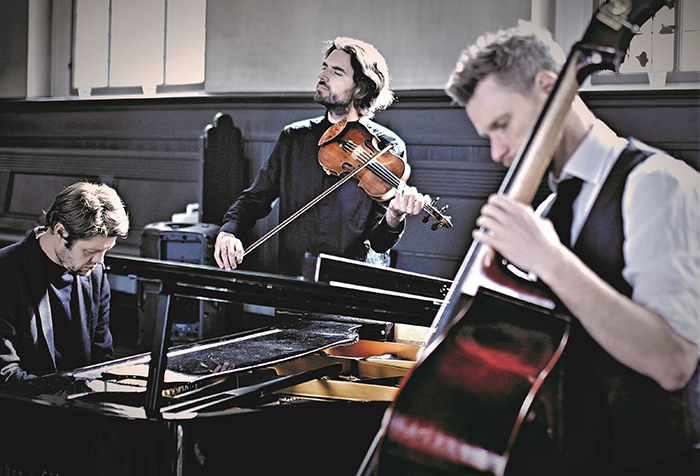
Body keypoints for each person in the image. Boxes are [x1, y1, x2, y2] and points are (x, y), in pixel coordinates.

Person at [444, 23, 700, 475]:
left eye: (502, 126)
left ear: (549, 87)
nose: (496, 152)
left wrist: (549, 258)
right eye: (488, 135)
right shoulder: (546, 209)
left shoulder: (657, 183)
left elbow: (673, 362)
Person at [215, 36, 427, 277]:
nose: (322, 76)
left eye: (336, 72)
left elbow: (378, 243)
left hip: (354, 284)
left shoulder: (387, 148)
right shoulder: (294, 137)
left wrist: (395, 215)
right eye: (324, 67)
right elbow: (256, 198)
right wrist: (228, 231)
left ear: (361, 88)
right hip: (296, 275)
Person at [0, 182, 129, 381]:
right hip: (26, 406)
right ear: (60, 232)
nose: (99, 261)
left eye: (105, 251)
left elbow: (102, 359)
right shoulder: (5, 271)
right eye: (90, 251)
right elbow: (5, 373)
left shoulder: (96, 273)